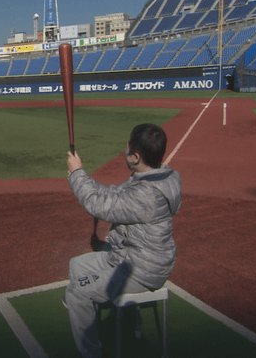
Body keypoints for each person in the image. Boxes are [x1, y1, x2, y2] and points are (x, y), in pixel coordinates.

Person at [64, 123, 182, 358]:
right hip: (131, 256)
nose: (124, 148)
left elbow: (99, 206)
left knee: (78, 291)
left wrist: (76, 173)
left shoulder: (147, 194)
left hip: (143, 269)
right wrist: (81, 175)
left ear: (135, 156)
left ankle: (91, 353)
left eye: (128, 146)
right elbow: (114, 196)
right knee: (76, 265)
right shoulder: (160, 176)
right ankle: (87, 315)